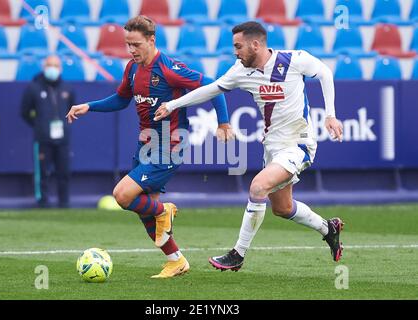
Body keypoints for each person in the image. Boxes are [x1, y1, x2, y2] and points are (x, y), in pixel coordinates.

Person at [154, 21, 345, 271]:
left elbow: (324, 73)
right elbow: (211, 89)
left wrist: (330, 115)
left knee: (257, 187)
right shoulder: (240, 71)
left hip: (298, 144)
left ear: (255, 44)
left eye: (238, 46)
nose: (235, 52)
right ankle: (327, 228)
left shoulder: (293, 60)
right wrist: (172, 105)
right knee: (283, 208)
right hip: (272, 148)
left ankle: (238, 254)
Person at [66, 16, 234, 278]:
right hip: (145, 144)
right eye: (127, 44)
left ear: (151, 40)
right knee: (147, 212)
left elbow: (214, 87)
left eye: (135, 44)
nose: (131, 50)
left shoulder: (169, 69)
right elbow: (121, 99)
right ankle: (176, 261)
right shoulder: (132, 69)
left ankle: (165, 211)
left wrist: (223, 123)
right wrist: (90, 106)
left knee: (123, 195)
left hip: (170, 145)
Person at [21, 55, 74, 209]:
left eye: (55, 65)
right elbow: (25, 112)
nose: (52, 68)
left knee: (63, 172)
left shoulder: (67, 88)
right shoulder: (34, 88)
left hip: (62, 138)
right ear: (44, 68)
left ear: (61, 68)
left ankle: (64, 202)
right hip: (43, 138)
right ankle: (42, 202)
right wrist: (39, 125)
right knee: (43, 173)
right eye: (49, 65)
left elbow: (72, 108)